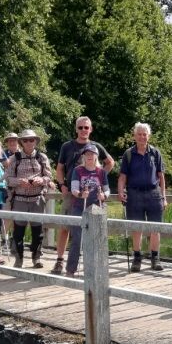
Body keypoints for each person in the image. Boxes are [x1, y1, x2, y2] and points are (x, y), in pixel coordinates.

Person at [54, 117, 113, 274]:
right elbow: (59, 168)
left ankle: (93, 267)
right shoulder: (67, 146)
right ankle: (60, 261)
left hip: (93, 197)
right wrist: (62, 185)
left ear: (91, 129)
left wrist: (97, 178)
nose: (83, 130)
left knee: (95, 234)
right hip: (72, 192)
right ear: (76, 129)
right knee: (66, 228)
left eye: (86, 127)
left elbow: (110, 162)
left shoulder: (96, 146)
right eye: (80, 127)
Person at [118, 122, 167, 272]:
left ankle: (155, 258)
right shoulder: (128, 154)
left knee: (155, 227)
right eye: (139, 134)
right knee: (136, 228)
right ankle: (137, 258)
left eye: (144, 134)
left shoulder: (155, 153)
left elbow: (161, 177)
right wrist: (120, 191)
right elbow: (122, 177)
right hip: (134, 194)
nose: (142, 137)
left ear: (148, 136)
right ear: (134, 136)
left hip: (154, 193)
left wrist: (164, 197)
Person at [4, 129, 54, 269]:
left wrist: (40, 180)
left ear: (36, 141)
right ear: (21, 142)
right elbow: (8, 179)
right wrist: (20, 181)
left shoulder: (42, 157)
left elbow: (49, 177)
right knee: (18, 231)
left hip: (37, 199)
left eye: (31, 140)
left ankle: (36, 258)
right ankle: (18, 259)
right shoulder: (15, 158)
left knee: (37, 231)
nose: (28, 142)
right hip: (19, 199)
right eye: (25, 140)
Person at [65, 144, 109, 276]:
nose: (90, 156)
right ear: (84, 156)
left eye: (92, 154)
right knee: (78, 238)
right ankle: (71, 270)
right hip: (80, 207)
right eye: (87, 154)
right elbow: (74, 188)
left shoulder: (101, 172)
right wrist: (80, 194)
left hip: (97, 208)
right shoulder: (78, 170)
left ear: (96, 156)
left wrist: (104, 195)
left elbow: (106, 189)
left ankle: (95, 269)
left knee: (98, 239)